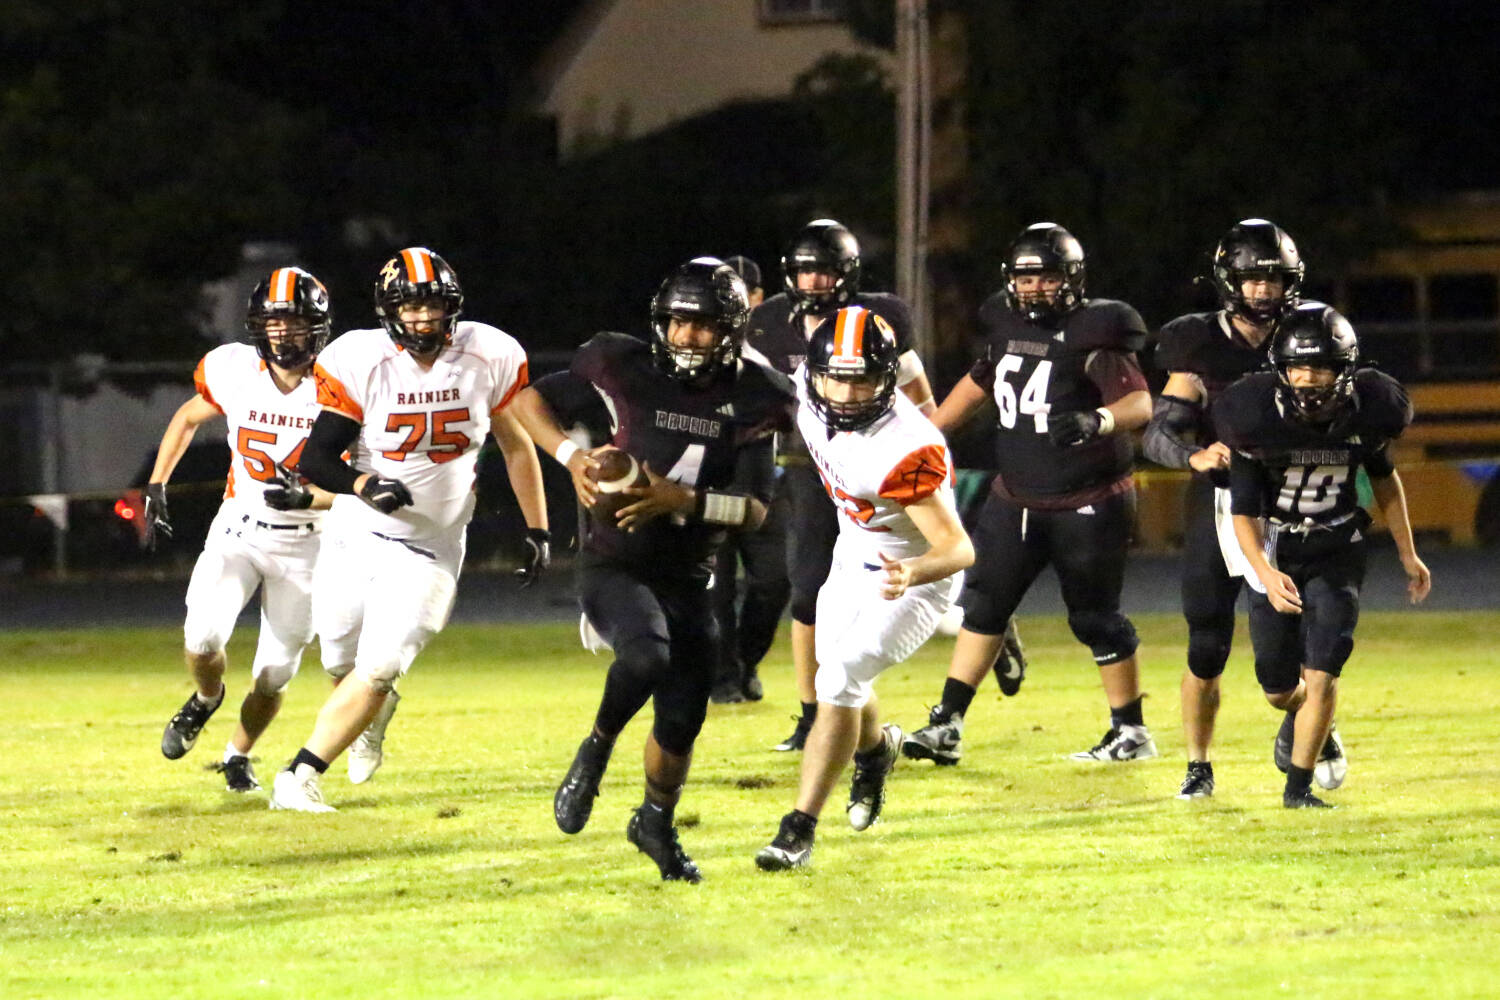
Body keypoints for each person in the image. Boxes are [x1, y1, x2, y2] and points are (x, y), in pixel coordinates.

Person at [512, 257, 794, 883]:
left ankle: (654, 825)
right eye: (678, 322)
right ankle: (594, 752)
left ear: (732, 329)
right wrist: (569, 455)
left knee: (682, 722)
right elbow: (528, 400)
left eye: (703, 325)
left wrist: (684, 501)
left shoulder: (759, 394)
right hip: (616, 560)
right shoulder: (621, 363)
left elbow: (754, 510)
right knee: (645, 655)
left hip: (691, 572)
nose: (687, 337)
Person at [268, 246, 550, 811]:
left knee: (380, 665)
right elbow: (317, 457)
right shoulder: (359, 359)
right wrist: (362, 485)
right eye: (411, 307)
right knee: (340, 662)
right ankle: (371, 716)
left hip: (431, 546)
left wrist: (538, 528)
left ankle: (298, 776)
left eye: (433, 307)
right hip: (355, 534)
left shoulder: (489, 353)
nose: (423, 319)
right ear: (388, 310)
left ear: (453, 308)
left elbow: (516, 445)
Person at [901, 223, 1156, 766]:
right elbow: (982, 378)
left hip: (1088, 496)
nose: (1035, 288)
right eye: (1025, 277)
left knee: (1093, 618)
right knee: (983, 604)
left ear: (1072, 279)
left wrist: (1100, 418)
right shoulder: (1002, 318)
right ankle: (946, 723)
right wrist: (928, 434)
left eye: (1046, 277)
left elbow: (1139, 403)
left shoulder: (1097, 329)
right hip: (1016, 493)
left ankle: (1131, 731)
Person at [755, 305, 973, 871]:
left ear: (885, 376)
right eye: (838, 378)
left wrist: (914, 573)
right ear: (816, 372)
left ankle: (798, 828)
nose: (848, 394)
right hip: (852, 554)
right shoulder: (808, 384)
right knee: (840, 681)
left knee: (840, 677)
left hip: (915, 578)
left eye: (862, 380)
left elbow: (958, 548)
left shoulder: (903, 447)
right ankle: (876, 753)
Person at [1146, 218, 1341, 799]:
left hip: (1289, 506)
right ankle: (1198, 766)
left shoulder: (1308, 334)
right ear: (1228, 280)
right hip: (1223, 501)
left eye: (1272, 278)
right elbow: (1160, 432)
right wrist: (1193, 454)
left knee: (1283, 666)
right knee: (1206, 644)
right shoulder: (1197, 342)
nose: (1261, 290)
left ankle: (1308, 719)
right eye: (1250, 278)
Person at [1216, 302, 1430, 808]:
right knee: (1279, 689)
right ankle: (1313, 721)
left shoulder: (1368, 411)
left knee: (1324, 669)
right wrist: (1264, 572)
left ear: (1345, 369)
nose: (1309, 379)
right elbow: (1242, 512)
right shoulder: (1254, 417)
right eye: (1298, 367)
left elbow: (1385, 481)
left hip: (1337, 547)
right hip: (1276, 550)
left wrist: (1408, 552)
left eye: (1321, 367)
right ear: (1280, 371)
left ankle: (1298, 789)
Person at [743, 218, 946, 751]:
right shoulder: (766, 325)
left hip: (878, 458)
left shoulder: (879, 319)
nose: (813, 282)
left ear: (849, 274)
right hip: (816, 462)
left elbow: (917, 389)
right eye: (805, 270)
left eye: (825, 271)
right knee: (807, 588)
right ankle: (814, 712)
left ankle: (954, 608)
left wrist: (926, 452)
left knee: (919, 551)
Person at [153, 266, 336, 793]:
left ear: (317, 326)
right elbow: (188, 418)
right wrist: (158, 482)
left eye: (295, 321)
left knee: (274, 673)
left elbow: (361, 483)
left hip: (310, 543)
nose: (283, 332)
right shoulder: (234, 369)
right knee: (203, 633)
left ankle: (237, 754)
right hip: (241, 529)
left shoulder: (342, 386)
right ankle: (206, 698)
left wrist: (315, 496)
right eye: (273, 321)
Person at [708, 254, 789, 703]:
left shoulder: (769, 352)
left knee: (774, 582)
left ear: (757, 298)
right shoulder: (688, 348)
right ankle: (722, 677)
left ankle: (746, 660)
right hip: (708, 483)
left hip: (760, 481)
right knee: (715, 588)